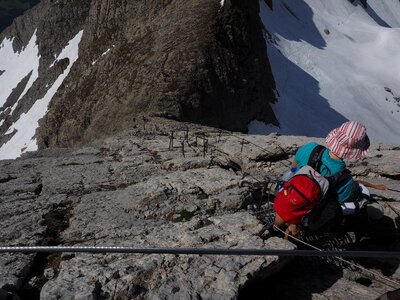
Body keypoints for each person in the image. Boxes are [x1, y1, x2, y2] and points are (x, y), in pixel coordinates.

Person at [272, 120, 371, 239]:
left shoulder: (310, 147)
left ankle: (274, 229)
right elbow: (337, 203)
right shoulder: (346, 179)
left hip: (288, 197)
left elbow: (293, 167)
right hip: (307, 213)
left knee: (289, 177)